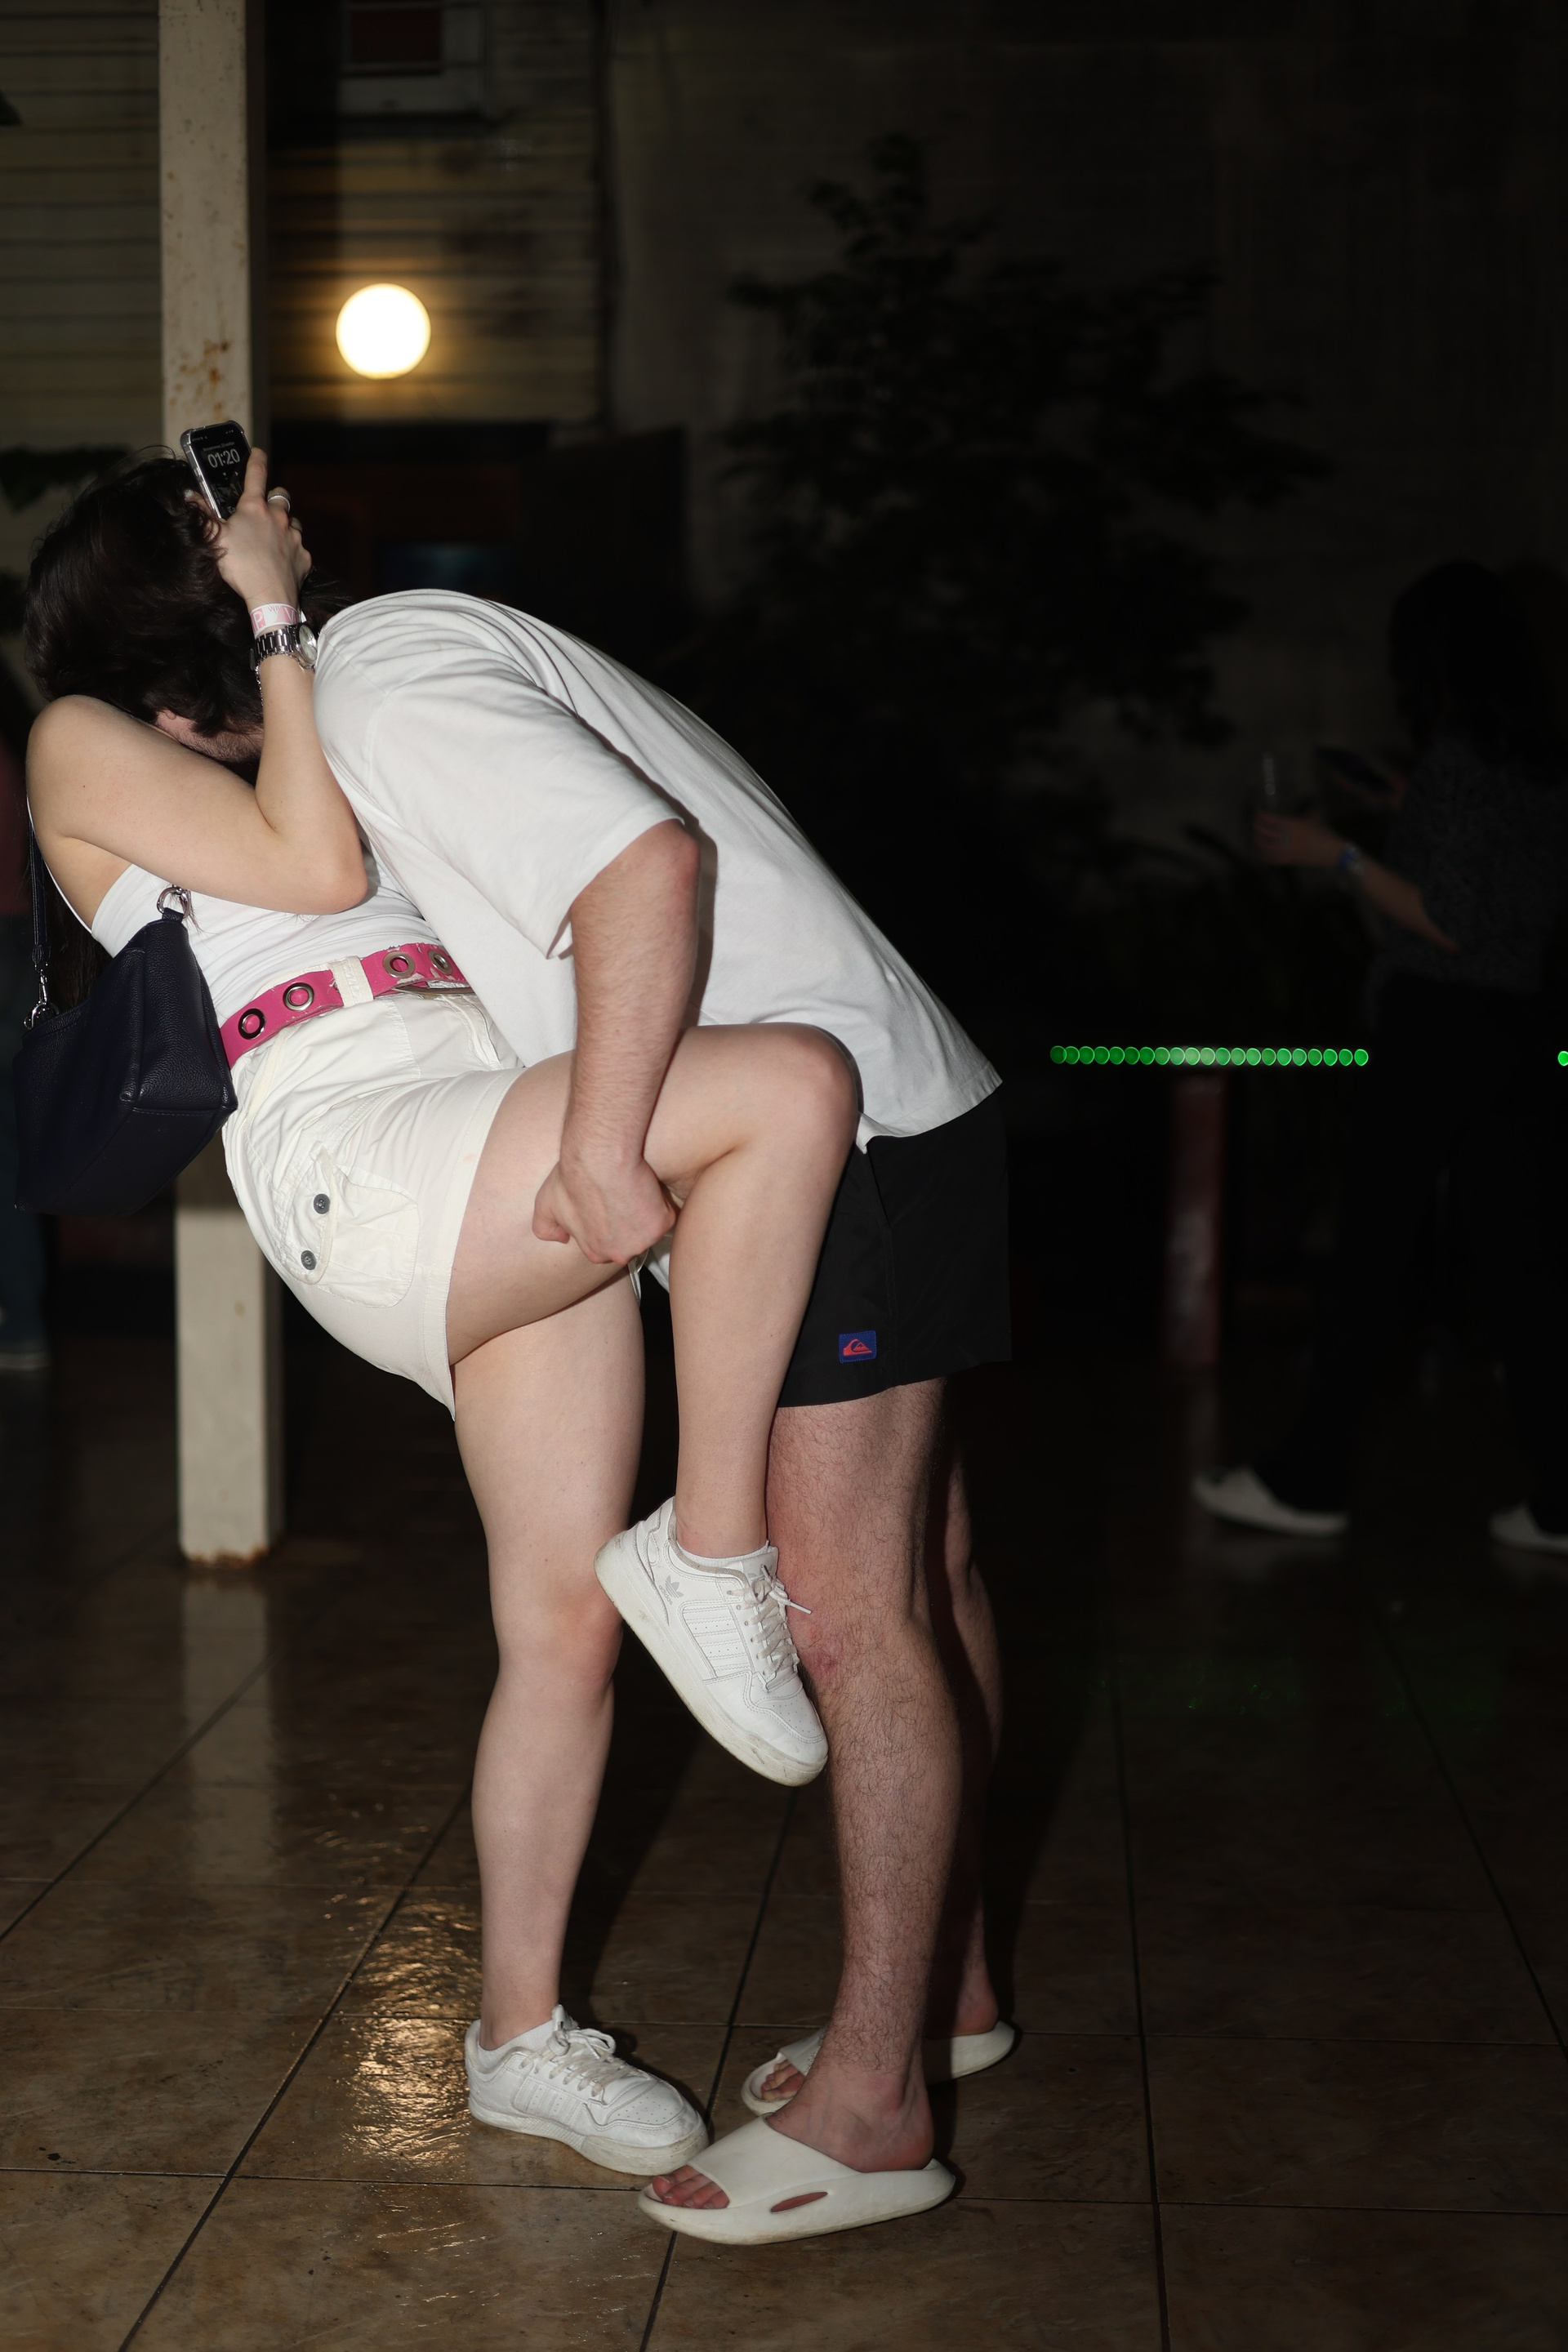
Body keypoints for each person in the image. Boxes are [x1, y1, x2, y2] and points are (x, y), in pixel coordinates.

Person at [29, 446, 1017, 2243]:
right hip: (361, 1158)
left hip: (482, 1127)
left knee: (559, 1626)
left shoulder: (315, 720)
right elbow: (314, 864)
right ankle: (711, 1547)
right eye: (233, 556)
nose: (278, 555)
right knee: (790, 1089)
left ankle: (519, 2033)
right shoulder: (78, 740)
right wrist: (280, 623)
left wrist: (288, 651)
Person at [1196, 561, 1568, 1550]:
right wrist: (1405, 800)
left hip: (1438, 1028)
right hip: (1516, 1031)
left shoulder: (1460, 760)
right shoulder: (1538, 765)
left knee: (1370, 1256)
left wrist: (1338, 854)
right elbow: (1498, 894)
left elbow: (1451, 920)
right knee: (1520, 1268)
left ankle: (1310, 1480)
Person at [0, 706, 48, 1373]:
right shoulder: (14, 749)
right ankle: (24, 1320)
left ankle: (21, 1318)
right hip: (17, 943)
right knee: (11, 1150)